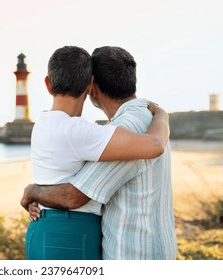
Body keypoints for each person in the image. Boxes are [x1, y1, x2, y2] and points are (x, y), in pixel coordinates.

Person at [22, 46, 171, 260]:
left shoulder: (42, 123)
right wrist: (162, 115)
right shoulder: (88, 131)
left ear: (47, 83)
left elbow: (73, 194)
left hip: (42, 230)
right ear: (89, 85)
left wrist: (33, 190)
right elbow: (156, 143)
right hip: (71, 233)